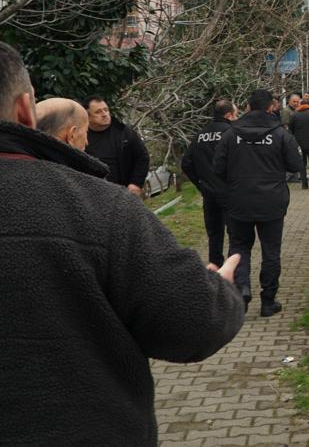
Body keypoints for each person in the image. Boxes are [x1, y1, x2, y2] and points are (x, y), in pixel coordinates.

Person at [0, 42, 245, 444]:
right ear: (26, 111)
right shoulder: (98, 207)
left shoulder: (117, 162)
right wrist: (222, 292)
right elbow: (194, 325)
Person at [214, 89, 303, 316]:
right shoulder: (280, 134)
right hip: (272, 202)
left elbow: (218, 168)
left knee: (239, 246)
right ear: (270, 107)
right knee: (271, 251)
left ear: (247, 106)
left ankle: (242, 287)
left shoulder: (230, 134)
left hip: (239, 201)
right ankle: (268, 301)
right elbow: (295, 165)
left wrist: (235, 183)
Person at [181, 99, 238, 266]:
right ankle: (232, 271)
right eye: (236, 114)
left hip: (208, 193)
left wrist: (200, 183)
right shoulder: (233, 133)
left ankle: (215, 269)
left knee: (214, 234)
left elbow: (186, 163)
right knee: (235, 234)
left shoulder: (200, 135)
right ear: (229, 115)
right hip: (230, 192)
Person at [83, 94, 150, 196]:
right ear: (87, 116)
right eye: (98, 112)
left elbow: (142, 157)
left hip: (126, 192)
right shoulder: (82, 136)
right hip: (96, 195)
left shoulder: (124, 132)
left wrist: (136, 183)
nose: (104, 114)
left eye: (106, 110)